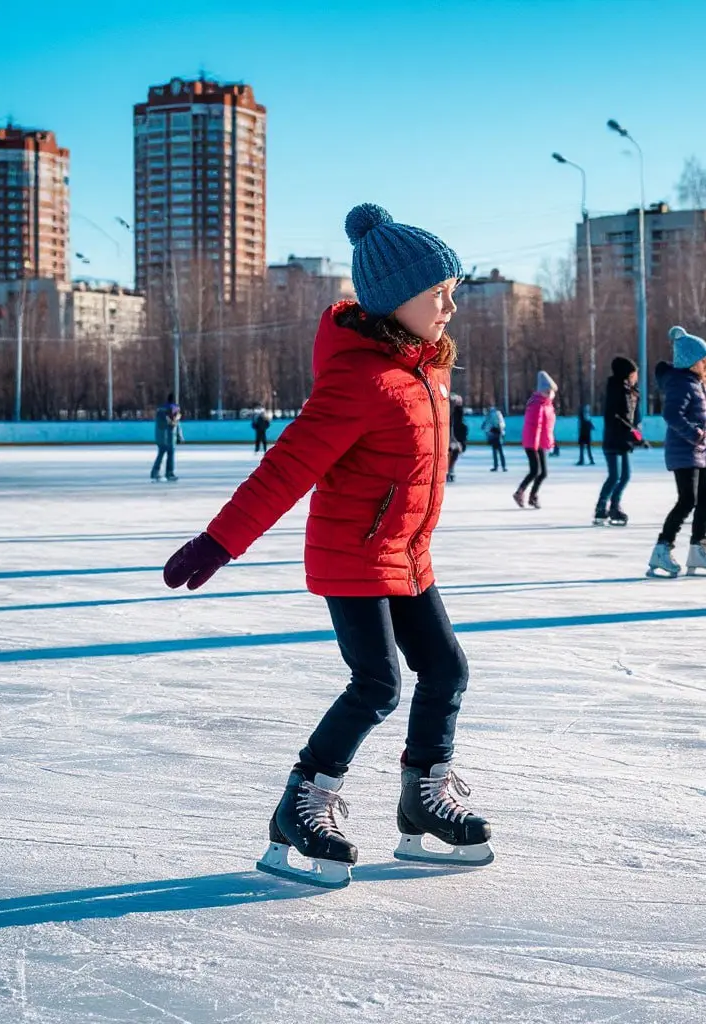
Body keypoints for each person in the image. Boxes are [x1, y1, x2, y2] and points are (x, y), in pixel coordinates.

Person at [162, 203, 492, 889]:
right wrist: (219, 542)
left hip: (407, 555)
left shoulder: (424, 370)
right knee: (376, 684)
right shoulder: (358, 379)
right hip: (353, 554)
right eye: (440, 294)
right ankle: (301, 806)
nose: (450, 307)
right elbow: (285, 468)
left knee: (447, 670)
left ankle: (421, 802)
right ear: (396, 300)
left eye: (452, 292)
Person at [648, 326, 706, 577]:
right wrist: (693, 434)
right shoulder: (681, 383)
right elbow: (671, 414)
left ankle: (698, 548)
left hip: (700, 451)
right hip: (684, 451)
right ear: (692, 362)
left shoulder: (701, 384)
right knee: (688, 499)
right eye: (705, 359)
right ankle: (662, 549)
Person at [594, 357, 646, 526]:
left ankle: (615, 505)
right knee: (614, 476)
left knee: (625, 476)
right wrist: (630, 432)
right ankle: (601, 507)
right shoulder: (615, 390)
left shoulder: (633, 392)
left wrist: (636, 432)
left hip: (625, 441)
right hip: (613, 439)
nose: (636, 376)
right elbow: (615, 418)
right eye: (633, 373)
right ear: (626, 375)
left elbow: (634, 417)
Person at [513, 372, 556, 509]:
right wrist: (535, 445)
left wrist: (548, 442)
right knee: (535, 471)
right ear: (542, 391)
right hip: (532, 443)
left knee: (543, 472)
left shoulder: (547, 405)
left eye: (551, 391)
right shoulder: (537, 404)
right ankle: (520, 493)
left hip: (540, 443)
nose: (550, 393)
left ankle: (532, 496)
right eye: (547, 391)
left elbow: (547, 427)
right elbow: (535, 426)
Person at [150, 394, 180, 482]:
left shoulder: (160, 409)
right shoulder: (174, 408)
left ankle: (155, 472)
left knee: (161, 453)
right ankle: (169, 472)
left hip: (160, 435)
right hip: (169, 436)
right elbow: (176, 422)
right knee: (170, 453)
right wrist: (179, 435)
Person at [446, 393, 468, 482]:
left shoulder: (457, 414)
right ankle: (449, 470)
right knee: (451, 453)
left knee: (453, 453)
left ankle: (450, 470)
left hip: (454, 438)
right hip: (452, 437)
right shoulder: (452, 414)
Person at [482, 404, 506, 471]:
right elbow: (502, 423)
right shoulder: (497, 413)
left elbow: (487, 424)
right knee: (500, 451)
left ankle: (496, 466)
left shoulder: (490, 414)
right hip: (498, 434)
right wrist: (501, 431)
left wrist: (487, 431)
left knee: (495, 451)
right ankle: (503, 466)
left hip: (494, 434)